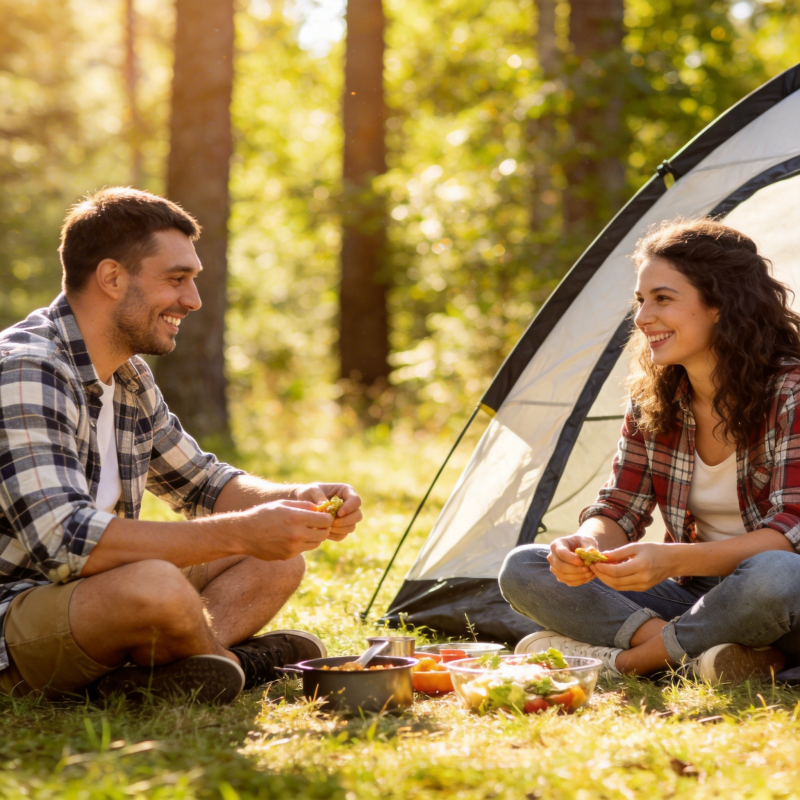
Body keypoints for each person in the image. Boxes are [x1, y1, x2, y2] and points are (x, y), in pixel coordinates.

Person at [0, 187, 362, 703]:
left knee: (279, 561)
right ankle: (226, 662)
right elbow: (65, 543)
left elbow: (204, 482)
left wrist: (299, 496)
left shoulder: (128, 376)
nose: (192, 301)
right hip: (15, 612)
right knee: (154, 586)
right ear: (111, 277)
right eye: (177, 280)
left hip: (89, 595)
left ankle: (161, 671)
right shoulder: (27, 369)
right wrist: (242, 531)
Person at [500, 218, 800, 685]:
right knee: (524, 567)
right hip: (697, 597)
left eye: (663, 299)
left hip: (784, 598)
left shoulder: (791, 393)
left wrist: (673, 559)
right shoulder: (656, 399)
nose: (642, 319)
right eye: (641, 301)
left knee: (775, 574)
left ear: (720, 303)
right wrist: (588, 545)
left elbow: (788, 534)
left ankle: (625, 664)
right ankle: (717, 654)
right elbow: (619, 509)